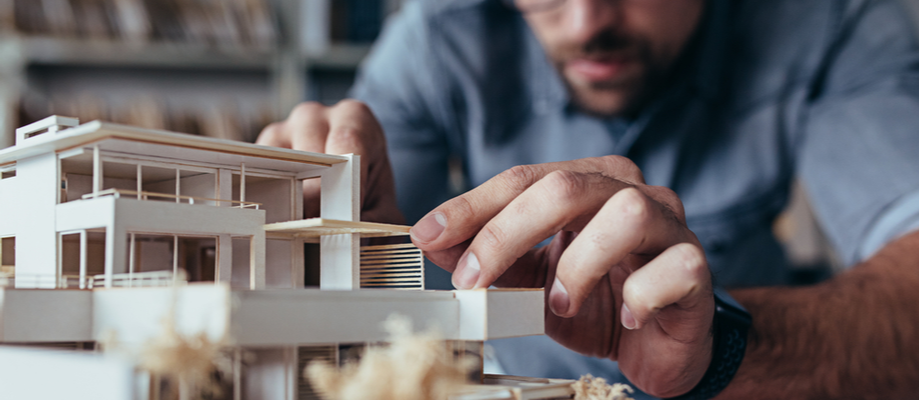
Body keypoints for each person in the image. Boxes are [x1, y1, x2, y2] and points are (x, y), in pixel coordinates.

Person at [257, 0, 919, 398]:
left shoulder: (833, 20)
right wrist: (332, 246)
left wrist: (717, 351)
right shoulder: (439, 29)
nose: (585, 24)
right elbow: (378, 253)